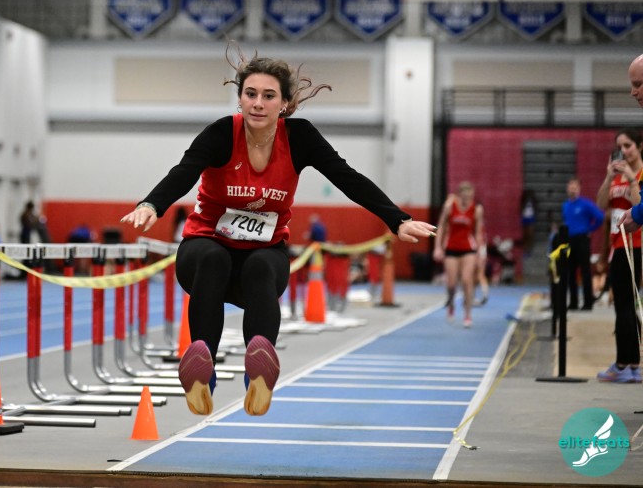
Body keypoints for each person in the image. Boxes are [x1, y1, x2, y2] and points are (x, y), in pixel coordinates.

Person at [119, 52, 434, 417]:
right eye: (250, 94)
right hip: (204, 251)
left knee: (260, 268)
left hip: (263, 253)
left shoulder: (299, 137)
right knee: (213, 258)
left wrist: (397, 220)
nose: (258, 103)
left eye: (268, 96)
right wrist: (152, 204)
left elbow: (346, 177)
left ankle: (260, 372)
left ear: (284, 103)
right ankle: (202, 372)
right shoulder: (222, 133)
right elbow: (184, 170)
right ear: (240, 98)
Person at [599, 126, 643, 384]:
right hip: (618, 244)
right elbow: (601, 205)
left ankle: (627, 364)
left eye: (628, 146)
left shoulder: (639, 173)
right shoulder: (616, 176)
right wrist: (608, 178)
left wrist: (632, 180)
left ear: (639, 146)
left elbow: (640, 206)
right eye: (620, 147)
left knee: (626, 305)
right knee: (623, 305)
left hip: (636, 245)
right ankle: (629, 364)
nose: (623, 151)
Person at [433, 181, 484, 328]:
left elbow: (478, 232)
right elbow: (441, 227)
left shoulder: (476, 209)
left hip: (469, 249)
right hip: (451, 248)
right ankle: (451, 304)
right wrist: (438, 247)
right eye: (464, 196)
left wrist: (480, 253)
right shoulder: (450, 206)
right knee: (451, 284)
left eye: (470, 197)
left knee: (467, 281)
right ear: (459, 195)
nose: (467, 199)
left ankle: (467, 314)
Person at [561, 177, 604, 311]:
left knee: (585, 271)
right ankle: (573, 302)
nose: (573, 189)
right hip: (569, 240)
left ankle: (588, 302)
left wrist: (589, 229)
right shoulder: (565, 205)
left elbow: (600, 217)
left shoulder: (586, 204)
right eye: (571, 187)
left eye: (575, 187)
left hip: (582, 239)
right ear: (567, 189)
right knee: (570, 272)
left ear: (579, 189)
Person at [519, 188, 537, 255]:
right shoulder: (523, 202)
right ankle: (525, 249)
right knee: (525, 235)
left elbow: (535, 210)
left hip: (531, 219)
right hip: (524, 219)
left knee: (530, 235)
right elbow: (520, 210)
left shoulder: (533, 202)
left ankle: (529, 249)